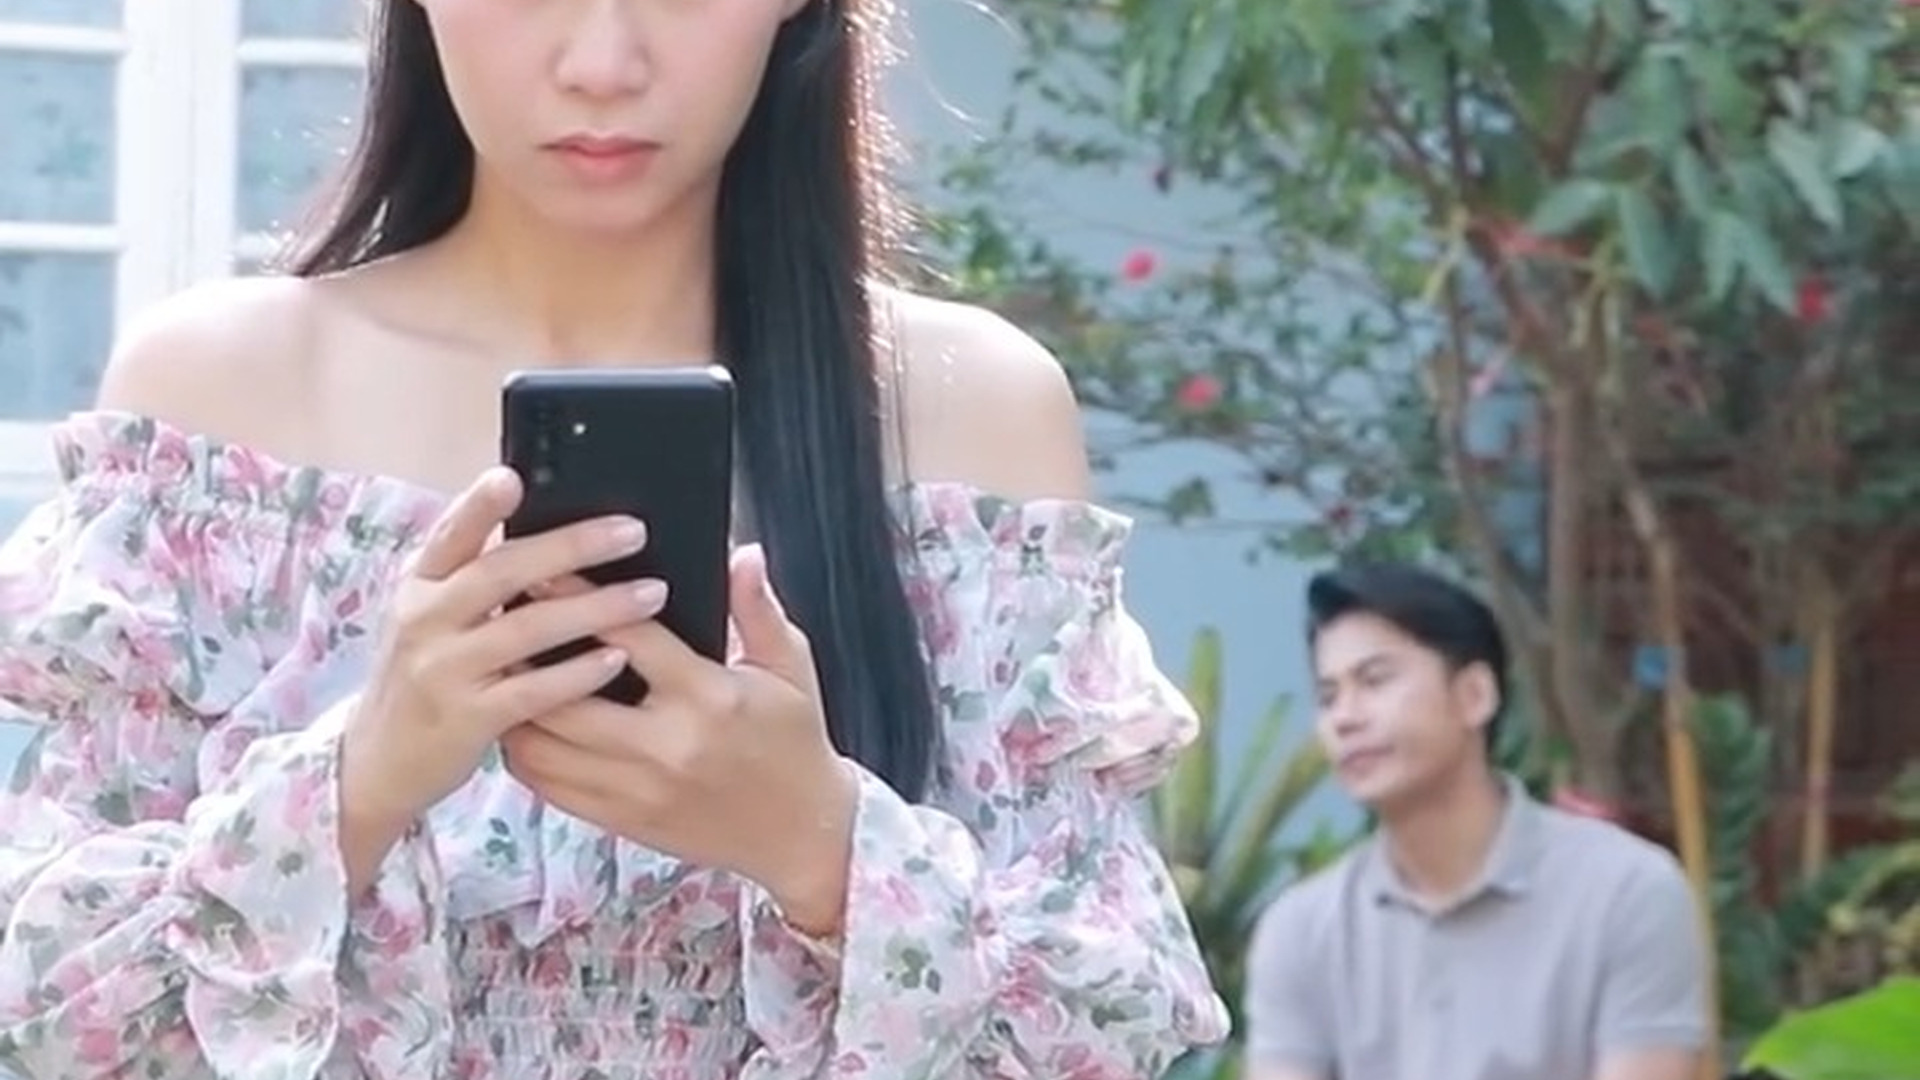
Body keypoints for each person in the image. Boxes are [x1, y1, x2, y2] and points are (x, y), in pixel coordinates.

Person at [0, 1, 1230, 1077]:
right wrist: (361, 777)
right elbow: (59, 1014)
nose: (602, 61)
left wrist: (818, 844)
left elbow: (1100, 1027)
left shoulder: (973, 413)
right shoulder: (217, 410)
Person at [1242, 563, 1710, 1080]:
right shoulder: (1301, 931)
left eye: (1374, 680)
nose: (1344, 717)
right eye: (1328, 696)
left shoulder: (1626, 892)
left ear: (1474, 696)